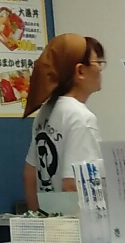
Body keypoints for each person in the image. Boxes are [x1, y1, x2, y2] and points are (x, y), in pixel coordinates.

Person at [22, 33, 106, 212]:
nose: (100, 68)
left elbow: (30, 175)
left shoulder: (45, 111)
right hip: (75, 224)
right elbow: (73, 184)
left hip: (51, 222)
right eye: (98, 62)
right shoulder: (81, 117)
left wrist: (39, 220)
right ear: (80, 71)